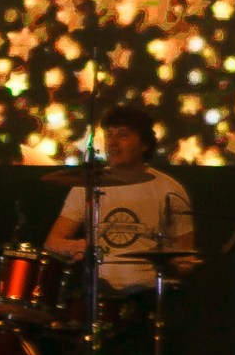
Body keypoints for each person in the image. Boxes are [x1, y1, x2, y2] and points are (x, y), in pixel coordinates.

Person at [44, 104, 197, 295]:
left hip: (147, 292)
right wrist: (75, 245)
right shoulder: (88, 184)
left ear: (144, 144)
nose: (113, 142)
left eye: (123, 135)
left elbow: (186, 260)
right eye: (109, 135)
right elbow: (53, 242)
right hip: (98, 291)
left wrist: (173, 262)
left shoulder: (170, 190)